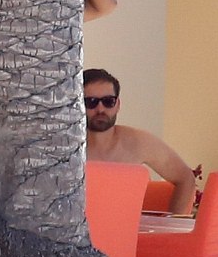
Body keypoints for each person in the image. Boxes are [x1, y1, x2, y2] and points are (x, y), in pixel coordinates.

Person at [83, 68, 195, 214]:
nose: (100, 109)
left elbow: (186, 178)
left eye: (108, 101)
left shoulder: (137, 141)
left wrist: (172, 223)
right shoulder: (64, 147)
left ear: (118, 105)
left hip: (125, 226)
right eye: (91, 102)